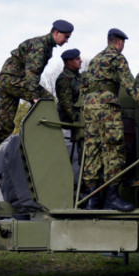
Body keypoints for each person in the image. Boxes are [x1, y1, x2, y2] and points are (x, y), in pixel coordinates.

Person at [0, 19, 74, 177]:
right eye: (66, 37)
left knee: (6, 124)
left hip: (6, 80)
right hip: (13, 80)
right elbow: (32, 74)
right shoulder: (41, 46)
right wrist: (35, 98)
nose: (67, 40)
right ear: (56, 33)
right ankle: (40, 135)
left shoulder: (45, 46)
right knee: (46, 100)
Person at [80, 28, 139, 211]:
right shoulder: (116, 57)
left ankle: (93, 199)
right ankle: (112, 197)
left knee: (93, 149)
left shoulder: (94, 60)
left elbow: (84, 85)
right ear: (119, 42)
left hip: (89, 106)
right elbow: (130, 85)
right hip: (107, 105)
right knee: (115, 148)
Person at [55, 48, 83, 190]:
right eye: (78, 59)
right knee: (71, 158)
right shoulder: (63, 79)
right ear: (68, 62)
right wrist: (79, 120)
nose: (81, 61)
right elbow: (67, 105)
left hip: (78, 122)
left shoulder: (79, 77)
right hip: (68, 123)